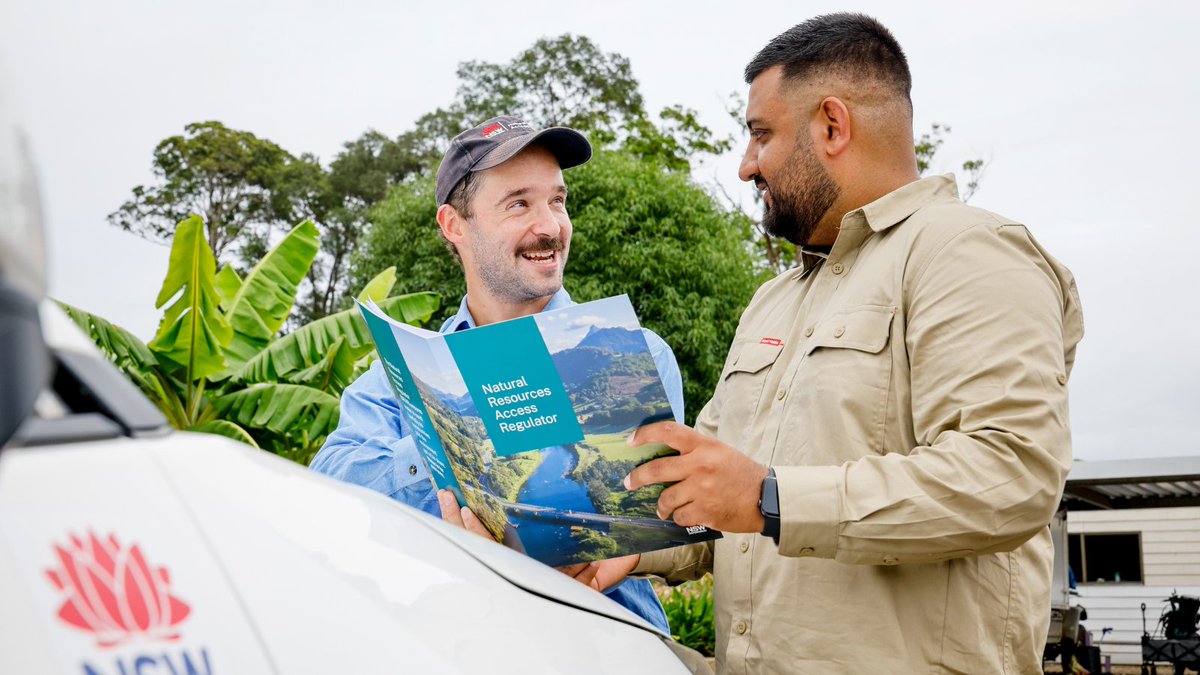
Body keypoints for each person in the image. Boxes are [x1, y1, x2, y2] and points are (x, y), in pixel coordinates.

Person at [592, 13, 1085, 673]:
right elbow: (712, 493)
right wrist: (609, 542)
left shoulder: (967, 252)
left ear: (831, 125)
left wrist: (770, 498)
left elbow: (1008, 475)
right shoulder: (774, 299)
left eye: (760, 135)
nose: (745, 167)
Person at [310, 115, 682, 633]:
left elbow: (655, 516)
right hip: (461, 640)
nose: (551, 226)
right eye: (519, 204)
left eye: (558, 200)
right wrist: (455, 432)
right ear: (454, 225)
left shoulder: (640, 354)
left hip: (612, 639)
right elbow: (330, 489)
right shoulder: (397, 375)